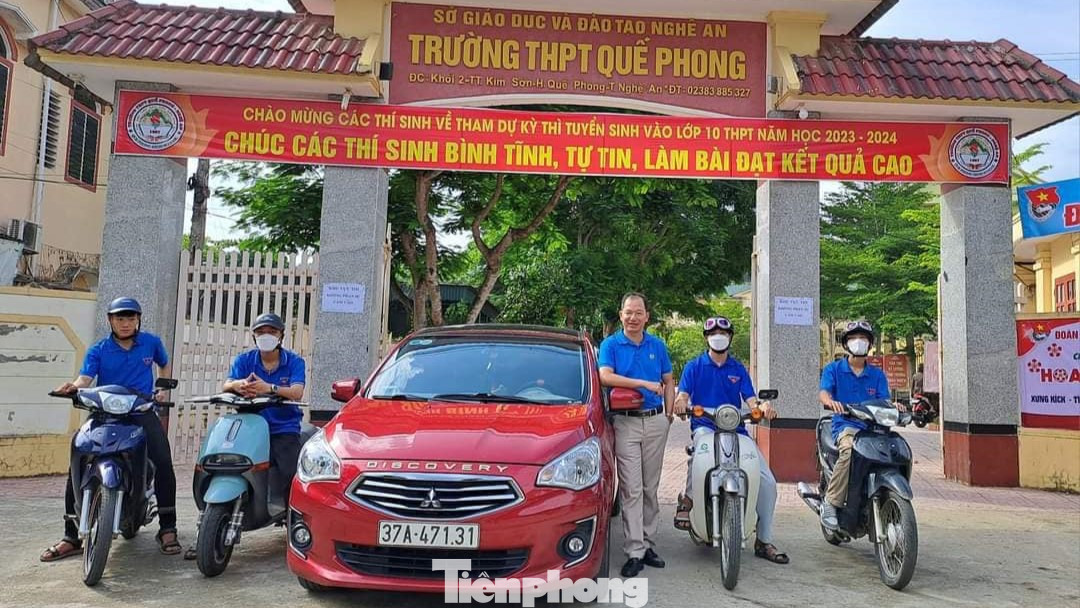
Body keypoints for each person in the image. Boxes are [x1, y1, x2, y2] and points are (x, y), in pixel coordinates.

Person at [41, 297, 182, 561]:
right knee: (79, 460)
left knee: (163, 461)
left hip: (140, 411)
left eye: (131, 318)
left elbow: (164, 364)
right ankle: (71, 536)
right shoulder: (99, 349)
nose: (126, 323)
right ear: (110, 320)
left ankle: (167, 528)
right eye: (120, 318)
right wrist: (74, 387)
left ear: (138, 320)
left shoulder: (151, 343)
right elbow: (85, 379)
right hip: (103, 412)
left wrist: (161, 388)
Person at [672, 316, 788, 564]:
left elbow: (751, 400)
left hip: (737, 431)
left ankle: (764, 540)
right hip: (705, 427)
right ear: (706, 338)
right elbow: (683, 395)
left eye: (723, 333)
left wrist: (762, 407)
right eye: (713, 333)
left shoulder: (737, 369)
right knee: (698, 457)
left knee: (768, 482)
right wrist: (681, 403)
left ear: (730, 337)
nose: (718, 336)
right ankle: (688, 500)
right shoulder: (694, 366)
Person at [598, 293, 674, 578]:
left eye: (638, 312)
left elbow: (668, 380)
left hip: (655, 422)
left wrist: (668, 415)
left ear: (646, 317)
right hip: (625, 423)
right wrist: (642, 383)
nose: (633, 317)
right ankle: (634, 551)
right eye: (628, 312)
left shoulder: (657, 345)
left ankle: (648, 544)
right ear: (621, 315)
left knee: (650, 488)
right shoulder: (611, 344)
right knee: (631, 488)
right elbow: (605, 376)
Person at [818, 320, 904, 530]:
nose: (859, 341)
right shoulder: (833, 369)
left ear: (870, 344)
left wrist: (894, 406)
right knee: (848, 450)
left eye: (863, 338)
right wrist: (830, 401)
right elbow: (824, 392)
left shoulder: (877, 375)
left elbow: (884, 400)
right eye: (854, 338)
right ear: (846, 343)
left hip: (874, 430)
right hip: (846, 426)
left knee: (896, 450)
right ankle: (831, 502)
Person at [223, 313, 306, 506]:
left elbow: (297, 392)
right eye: (260, 332)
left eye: (272, 331)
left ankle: (292, 514)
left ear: (281, 335)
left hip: (283, 428)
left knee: (290, 474)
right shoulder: (244, 360)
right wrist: (238, 385)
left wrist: (270, 388)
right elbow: (226, 385)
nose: (266, 335)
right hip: (250, 427)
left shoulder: (294, 361)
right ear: (254, 336)